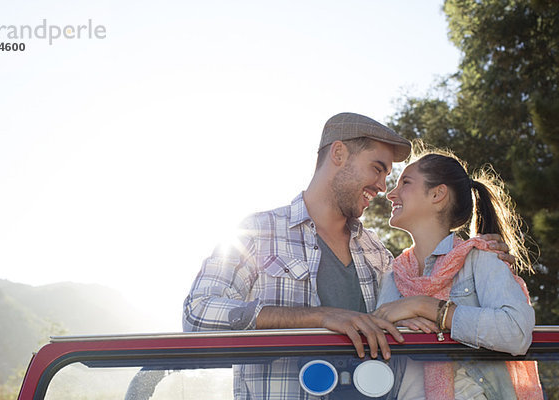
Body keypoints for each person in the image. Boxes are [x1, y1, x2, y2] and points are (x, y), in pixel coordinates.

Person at [182, 113, 513, 399]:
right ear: (338, 153)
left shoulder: (380, 256)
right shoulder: (256, 232)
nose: (384, 186)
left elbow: (433, 305)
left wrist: (477, 256)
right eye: (377, 168)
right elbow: (197, 314)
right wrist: (320, 317)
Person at [373, 146, 542, 399]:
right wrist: (398, 323)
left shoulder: (481, 259)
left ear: (438, 194)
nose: (391, 194)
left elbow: (516, 332)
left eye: (405, 182)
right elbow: (377, 334)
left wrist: (428, 307)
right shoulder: (393, 275)